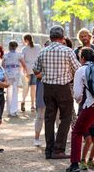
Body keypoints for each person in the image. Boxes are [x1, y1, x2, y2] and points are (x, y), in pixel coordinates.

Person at [34, 25, 81, 159]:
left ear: (50, 37)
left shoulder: (43, 51)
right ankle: (59, 149)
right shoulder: (67, 51)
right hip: (63, 88)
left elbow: (36, 69)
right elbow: (78, 68)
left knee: (49, 118)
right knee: (65, 118)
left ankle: (49, 150)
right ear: (62, 37)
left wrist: (46, 73)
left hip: (48, 88)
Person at [2, 40, 27, 117]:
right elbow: (24, 64)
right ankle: (14, 110)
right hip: (16, 74)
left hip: (8, 74)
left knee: (8, 92)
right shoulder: (19, 55)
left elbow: (2, 65)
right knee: (15, 92)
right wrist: (25, 72)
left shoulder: (5, 55)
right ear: (16, 47)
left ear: (9, 46)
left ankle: (9, 110)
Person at [21, 34, 42, 112]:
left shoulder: (24, 49)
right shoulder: (38, 47)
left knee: (26, 87)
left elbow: (22, 60)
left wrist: (24, 70)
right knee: (33, 88)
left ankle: (23, 100)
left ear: (26, 40)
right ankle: (32, 105)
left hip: (27, 70)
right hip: (36, 69)